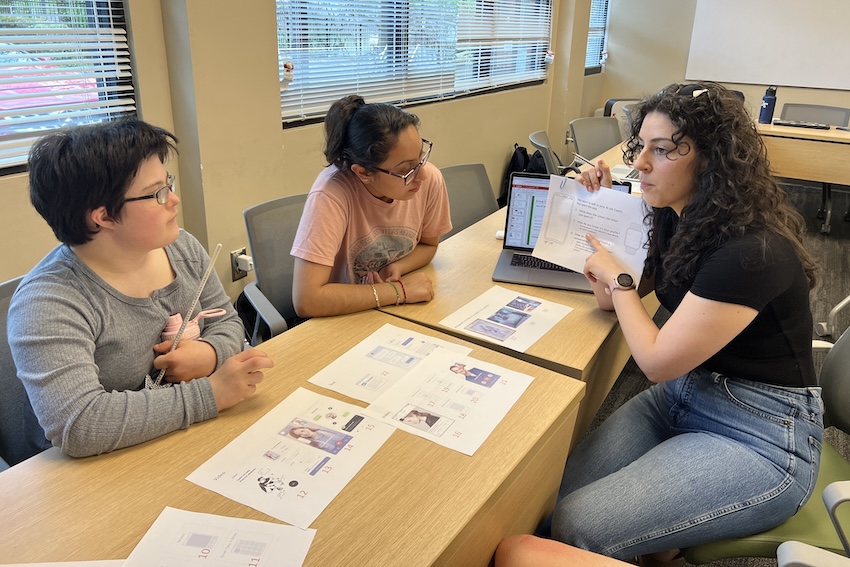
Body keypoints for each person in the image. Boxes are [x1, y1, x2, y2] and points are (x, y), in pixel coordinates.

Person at [537, 83, 824, 565]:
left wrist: (621, 282)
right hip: (688, 393)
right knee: (548, 500)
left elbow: (654, 361)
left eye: (663, 151)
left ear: (713, 161)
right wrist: (606, 212)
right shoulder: (676, 214)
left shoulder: (751, 251)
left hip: (761, 432)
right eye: (640, 147)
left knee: (577, 527)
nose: (641, 164)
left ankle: (661, 539)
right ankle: (660, 541)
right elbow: (613, 302)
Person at [8, 119, 274, 458]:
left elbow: (228, 323)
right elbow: (79, 424)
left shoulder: (182, 249)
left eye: (169, 184)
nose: (174, 200)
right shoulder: (48, 301)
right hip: (96, 472)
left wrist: (209, 354)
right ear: (102, 217)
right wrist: (211, 393)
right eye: (158, 193)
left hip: (184, 439)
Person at [291, 94, 452, 317]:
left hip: (386, 312)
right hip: (343, 317)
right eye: (406, 169)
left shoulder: (428, 179)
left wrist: (398, 267)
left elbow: (428, 245)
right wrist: (398, 291)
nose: (422, 175)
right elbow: (307, 300)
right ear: (363, 172)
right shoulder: (331, 194)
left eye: (421, 157)